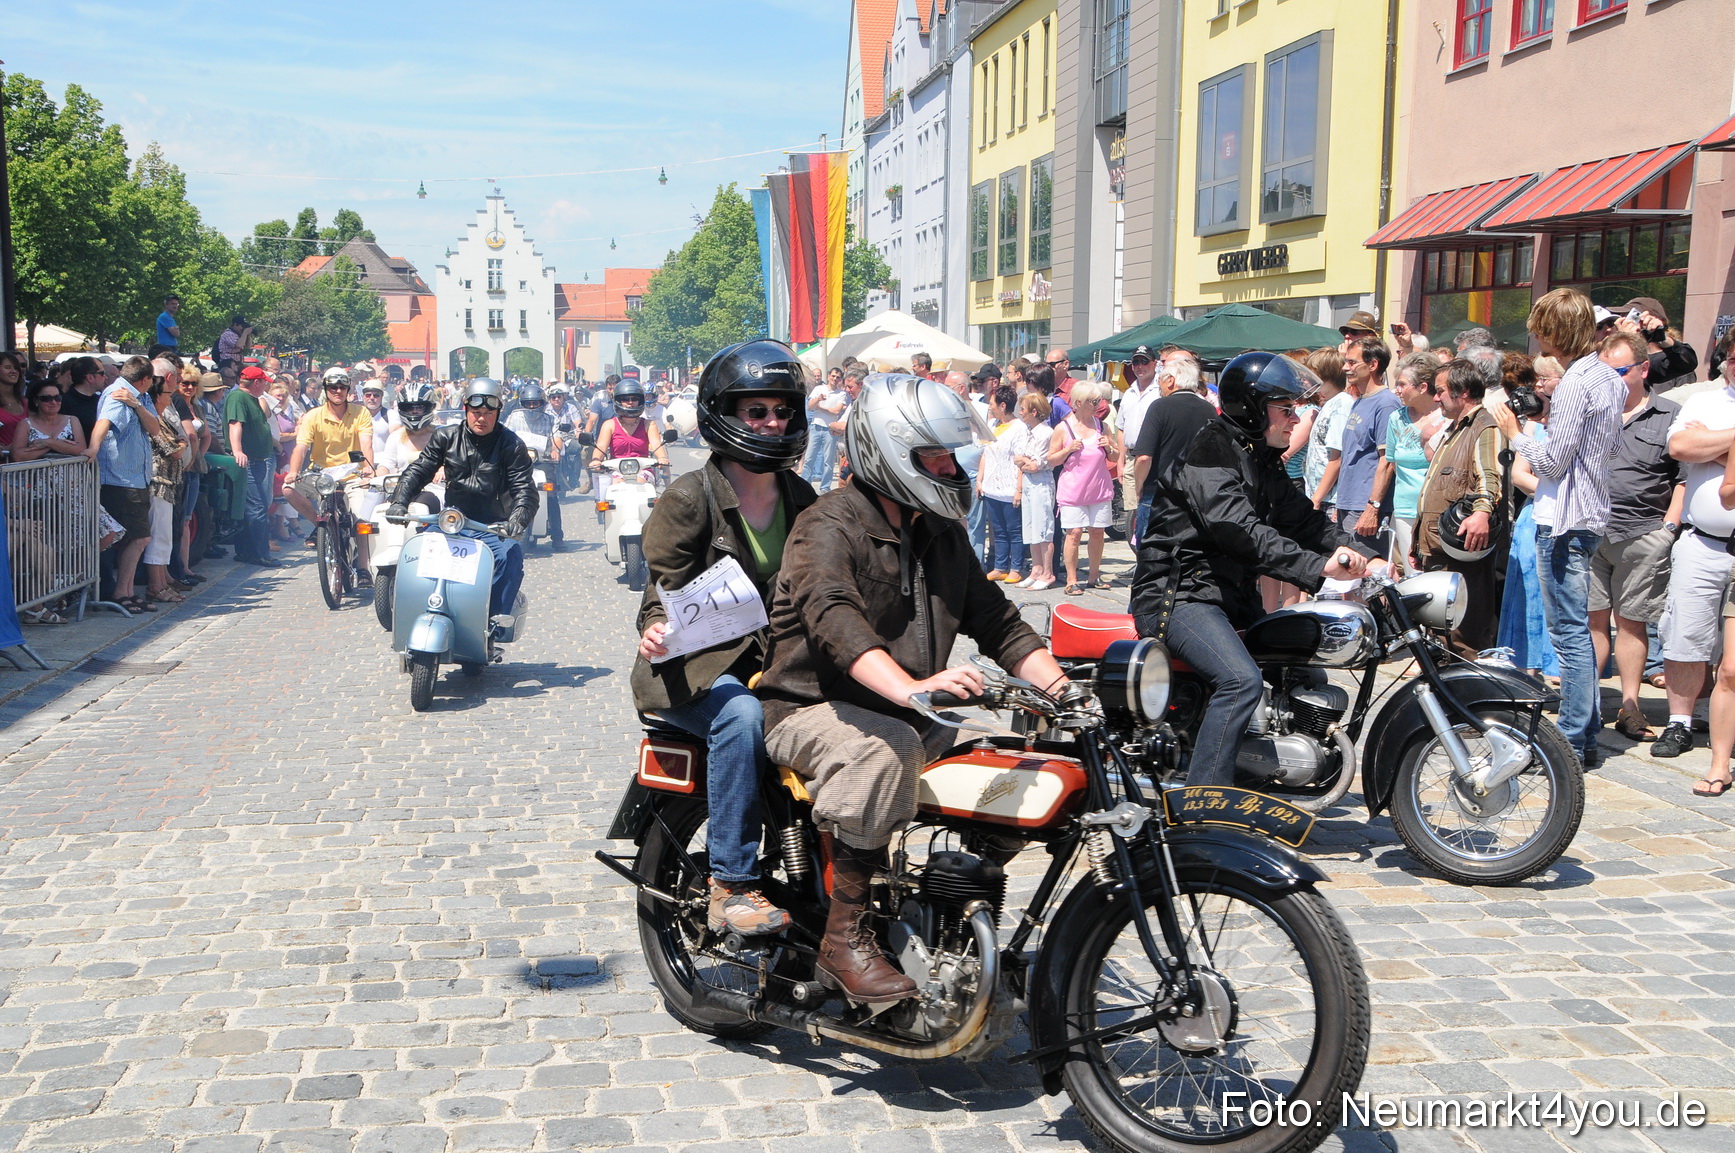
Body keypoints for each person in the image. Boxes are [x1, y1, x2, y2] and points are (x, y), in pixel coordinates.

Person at [758, 373, 1080, 1003]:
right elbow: (834, 621)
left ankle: (948, 912)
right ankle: (843, 941)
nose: (949, 466)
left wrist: (1065, 690)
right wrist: (911, 687)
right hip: (809, 706)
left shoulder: (939, 530)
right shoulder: (828, 525)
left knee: (1011, 768)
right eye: (932, 456)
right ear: (887, 450)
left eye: (951, 453)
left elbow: (998, 622)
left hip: (908, 705)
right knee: (885, 749)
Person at [633, 340, 818, 934]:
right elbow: (662, 588)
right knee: (738, 717)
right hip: (698, 668)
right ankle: (730, 883)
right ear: (724, 415)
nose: (771, 423)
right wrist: (654, 629)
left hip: (778, 660)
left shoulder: (801, 498)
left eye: (781, 411)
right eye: (755, 411)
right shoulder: (690, 497)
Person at [1131, 352, 1379, 788]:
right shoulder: (1210, 451)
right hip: (1178, 596)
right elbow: (1240, 532)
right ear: (1253, 406)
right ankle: (1205, 803)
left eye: (1296, 408)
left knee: (1302, 668)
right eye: (1285, 409)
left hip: (1227, 596)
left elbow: (1306, 521)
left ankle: (1267, 774)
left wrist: (1368, 557)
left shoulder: (1260, 457)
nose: (1295, 418)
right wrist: (1318, 568)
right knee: (1240, 681)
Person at [1490, 288, 1625, 770]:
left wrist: (1514, 432)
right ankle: (1584, 733)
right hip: (1586, 512)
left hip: (1563, 517)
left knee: (1567, 633)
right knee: (1577, 631)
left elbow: (1552, 461)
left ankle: (1568, 736)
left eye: (1541, 329)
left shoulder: (1575, 383)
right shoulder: (1609, 377)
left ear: (1555, 331)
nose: (1537, 337)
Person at [1588, 332, 1682, 743]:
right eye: (1605, 372)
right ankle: (1586, 706)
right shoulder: (1593, 413)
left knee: (1631, 624)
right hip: (1590, 533)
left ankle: (1629, 705)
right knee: (1590, 624)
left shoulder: (1670, 415)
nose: (1612, 380)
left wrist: (1668, 529)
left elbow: (1682, 479)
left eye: (1621, 372)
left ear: (1644, 369)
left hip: (1642, 534)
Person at [388, 378, 538, 624]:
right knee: (416, 556)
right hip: (453, 521)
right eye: (476, 412)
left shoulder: (511, 444)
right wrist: (400, 501)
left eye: (489, 413)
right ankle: (416, 613)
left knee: (509, 557)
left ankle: (492, 621)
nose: (482, 418)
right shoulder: (445, 437)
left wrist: (518, 517)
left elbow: (524, 488)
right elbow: (419, 470)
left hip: (493, 525)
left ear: (498, 413)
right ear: (466, 410)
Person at [1415, 359, 1507, 655]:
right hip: (1438, 548)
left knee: (1462, 636)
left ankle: (1471, 697)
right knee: (1440, 634)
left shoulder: (1484, 427)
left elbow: (1490, 476)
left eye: (1441, 390)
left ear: (1463, 391)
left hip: (1461, 551)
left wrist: (1481, 513)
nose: (1435, 397)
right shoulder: (1456, 428)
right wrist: (1419, 543)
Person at [85, 356, 165, 611]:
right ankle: (120, 593)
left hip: (136, 477)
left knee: (135, 538)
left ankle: (127, 591)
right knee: (140, 538)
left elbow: (155, 429)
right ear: (144, 379)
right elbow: (103, 423)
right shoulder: (117, 394)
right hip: (120, 479)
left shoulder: (139, 397)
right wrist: (92, 449)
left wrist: (138, 406)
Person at [282, 367, 376, 579]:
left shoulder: (360, 413)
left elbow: (366, 443)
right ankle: (320, 524)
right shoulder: (313, 416)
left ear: (348, 389)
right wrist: (294, 471)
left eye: (342, 387)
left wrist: (369, 468)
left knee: (362, 519)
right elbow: (301, 447)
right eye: (333, 387)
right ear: (325, 389)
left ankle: (363, 567)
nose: (338, 391)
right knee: (288, 490)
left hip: (353, 475)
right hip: (322, 476)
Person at [1377, 352, 1444, 576]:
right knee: (1412, 575)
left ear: (1423, 387)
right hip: (1405, 510)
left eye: (1402, 384)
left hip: (1437, 512)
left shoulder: (1447, 419)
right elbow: (1391, 463)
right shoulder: (1396, 418)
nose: (1396, 390)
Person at [1052, 380, 1118, 594]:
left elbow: (1116, 456)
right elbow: (1051, 459)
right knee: (1074, 533)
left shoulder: (1102, 426)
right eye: (1093, 401)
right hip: (1073, 490)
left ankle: (1093, 576)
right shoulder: (1064, 428)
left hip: (1098, 489)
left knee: (1097, 532)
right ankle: (1071, 580)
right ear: (1078, 403)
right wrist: (1068, 449)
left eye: (1099, 400)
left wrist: (1110, 447)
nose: (1097, 405)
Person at [1337, 337, 1400, 555]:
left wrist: (1372, 507)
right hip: (1348, 501)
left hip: (1365, 505)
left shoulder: (1386, 403)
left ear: (1373, 365)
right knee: (1349, 577)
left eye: (1353, 362)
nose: (1346, 368)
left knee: (1368, 576)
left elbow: (1387, 460)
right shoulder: (1361, 399)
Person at [224, 366, 283, 568]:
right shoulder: (238, 398)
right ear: (256, 382)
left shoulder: (252, 399)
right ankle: (260, 553)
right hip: (249, 461)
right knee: (257, 508)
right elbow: (235, 424)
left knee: (252, 508)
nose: (266, 385)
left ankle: (247, 551)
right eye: (264, 382)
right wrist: (238, 450)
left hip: (258, 460)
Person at [504, 383, 567, 551]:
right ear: (522, 404)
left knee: (552, 495)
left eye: (535, 403)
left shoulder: (550, 419)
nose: (531, 407)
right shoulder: (514, 417)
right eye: (528, 403)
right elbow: (505, 436)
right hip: (518, 461)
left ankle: (557, 536)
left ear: (542, 403)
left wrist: (555, 449)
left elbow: (557, 437)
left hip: (543, 461)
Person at [589, 378, 669, 505]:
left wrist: (662, 458)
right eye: (625, 399)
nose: (630, 403)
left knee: (642, 486)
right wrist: (596, 460)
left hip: (643, 469)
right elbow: (601, 446)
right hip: (616, 470)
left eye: (634, 399)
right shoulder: (609, 425)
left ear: (640, 401)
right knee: (615, 486)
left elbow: (656, 444)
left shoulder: (649, 424)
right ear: (618, 401)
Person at [1008, 392, 1058, 589]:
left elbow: (1036, 464)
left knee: (1044, 528)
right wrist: (1026, 461)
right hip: (1029, 482)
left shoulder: (1046, 433)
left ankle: (1047, 572)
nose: (1020, 413)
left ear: (1034, 411)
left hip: (1041, 482)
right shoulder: (1027, 432)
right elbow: (1017, 458)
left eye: (1023, 409)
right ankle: (1036, 569)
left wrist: (1026, 462)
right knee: (1030, 527)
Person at [977, 383, 1025, 583]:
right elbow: (985, 454)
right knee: (997, 530)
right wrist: (980, 480)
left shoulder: (1019, 429)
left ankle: (1016, 567)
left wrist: (1019, 490)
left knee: (1014, 530)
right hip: (991, 487)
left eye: (993, 403)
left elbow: (1021, 460)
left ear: (1003, 405)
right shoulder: (991, 425)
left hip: (1009, 486)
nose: (990, 407)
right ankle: (1000, 566)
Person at [1304, 348, 1352, 514]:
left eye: (1314, 379)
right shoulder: (1328, 404)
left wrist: (1316, 498)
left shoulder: (1341, 404)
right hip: (1320, 496)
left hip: (1329, 500)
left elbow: (1336, 458)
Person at [800, 367, 849, 493]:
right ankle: (804, 485)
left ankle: (825, 487)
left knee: (828, 460)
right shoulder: (818, 389)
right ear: (828, 376)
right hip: (816, 427)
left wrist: (820, 407)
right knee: (809, 458)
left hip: (829, 429)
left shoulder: (841, 394)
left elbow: (836, 411)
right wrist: (818, 400)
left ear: (840, 379)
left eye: (838, 377)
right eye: (833, 376)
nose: (835, 379)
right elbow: (810, 406)